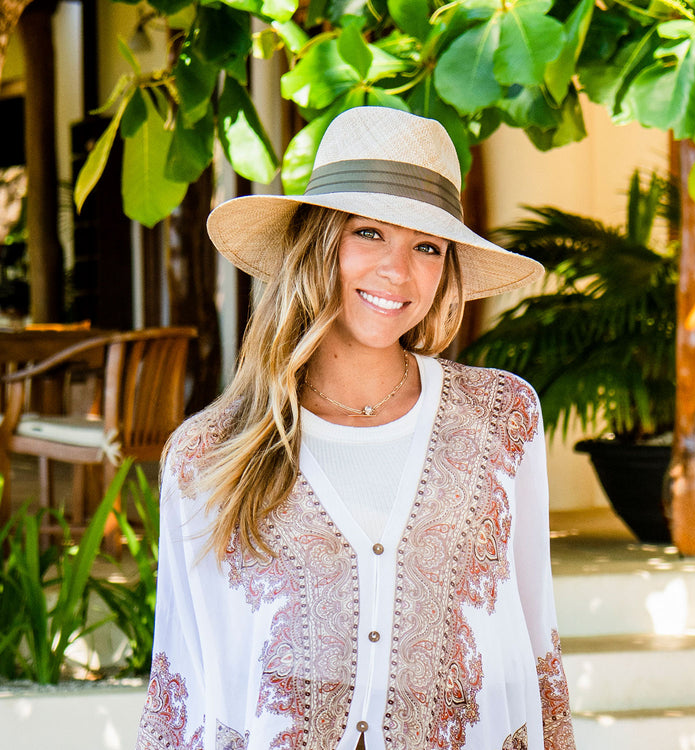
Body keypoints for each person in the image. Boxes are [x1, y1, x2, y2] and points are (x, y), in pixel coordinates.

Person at [135, 106, 576, 750]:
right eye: (369, 234)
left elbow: (537, 641)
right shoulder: (207, 454)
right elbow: (183, 681)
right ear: (317, 245)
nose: (397, 271)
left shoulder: (501, 419)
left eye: (427, 246)